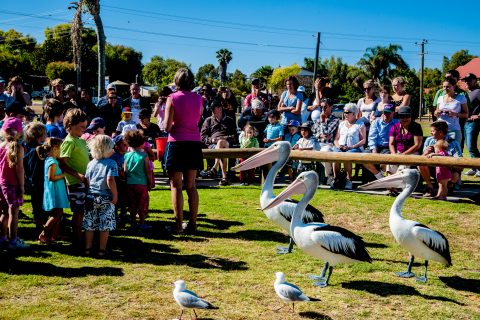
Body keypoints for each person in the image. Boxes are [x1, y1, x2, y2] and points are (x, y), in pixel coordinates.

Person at [164, 67, 203, 234]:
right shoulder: (199, 98)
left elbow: (166, 126)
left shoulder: (172, 98)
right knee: (191, 185)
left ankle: (178, 225)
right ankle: (193, 224)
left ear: (177, 81)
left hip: (177, 142)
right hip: (194, 142)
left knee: (176, 185)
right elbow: (197, 119)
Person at [59, 108, 89, 249]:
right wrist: (77, 175)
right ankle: (76, 238)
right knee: (78, 211)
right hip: (75, 183)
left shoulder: (80, 140)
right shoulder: (69, 141)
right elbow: (62, 163)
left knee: (82, 210)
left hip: (84, 181)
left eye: (85, 126)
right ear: (70, 126)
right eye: (81, 127)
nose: (84, 129)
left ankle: (81, 235)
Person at [83, 135, 118, 257]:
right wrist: (115, 195)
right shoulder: (111, 163)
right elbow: (110, 180)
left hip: (91, 196)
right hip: (105, 197)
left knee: (90, 224)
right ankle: (101, 250)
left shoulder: (91, 163)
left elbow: (87, 180)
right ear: (107, 149)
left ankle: (87, 248)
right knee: (105, 225)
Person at [0, 117, 28, 249]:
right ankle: (13, 240)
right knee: (14, 212)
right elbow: (19, 169)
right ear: (19, 132)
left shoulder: (1, 146)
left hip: (2, 184)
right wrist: (22, 187)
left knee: (4, 212)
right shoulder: (18, 147)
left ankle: (3, 237)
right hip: (12, 184)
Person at [419, 120, 462, 198]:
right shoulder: (429, 140)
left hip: (447, 169)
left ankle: (448, 186)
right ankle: (430, 187)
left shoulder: (453, 143)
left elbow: (459, 161)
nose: (430, 133)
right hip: (433, 168)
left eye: (433, 131)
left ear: (440, 132)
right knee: (420, 164)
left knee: (455, 175)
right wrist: (426, 152)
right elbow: (423, 157)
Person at [39, 137, 69, 244]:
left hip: (57, 190)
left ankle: (53, 237)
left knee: (59, 214)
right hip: (54, 191)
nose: (61, 150)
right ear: (55, 148)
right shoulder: (52, 162)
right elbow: (51, 177)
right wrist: (63, 175)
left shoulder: (52, 160)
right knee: (56, 214)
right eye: (60, 148)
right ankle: (43, 234)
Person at [200, 100, 237, 186]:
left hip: (227, 143)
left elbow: (234, 136)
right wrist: (212, 140)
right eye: (211, 109)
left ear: (220, 108)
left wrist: (224, 138)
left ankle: (215, 167)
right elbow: (202, 136)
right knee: (221, 145)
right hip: (213, 145)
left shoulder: (229, 120)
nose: (211, 111)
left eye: (213, 109)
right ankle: (224, 177)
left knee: (221, 143)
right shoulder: (208, 120)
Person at [333, 103, 366, 190]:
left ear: (354, 114)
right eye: (345, 112)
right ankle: (336, 179)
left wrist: (352, 147)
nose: (345, 114)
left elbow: (363, 140)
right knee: (334, 156)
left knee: (347, 156)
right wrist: (338, 146)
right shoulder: (341, 124)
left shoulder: (360, 124)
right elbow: (336, 139)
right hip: (341, 147)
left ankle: (349, 180)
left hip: (354, 148)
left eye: (348, 112)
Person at [124, 130, 153, 230]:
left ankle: (133, 223)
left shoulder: (126, 156)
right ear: (141, 143)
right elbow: (148, 171)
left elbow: (125, 170)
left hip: (129, 183)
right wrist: (150, 182)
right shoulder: (144, 156)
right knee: (142, 204)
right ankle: (141, 223)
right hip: (141, 184)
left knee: (132, 204)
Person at [23, 122, 47, 235]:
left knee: (37, 210)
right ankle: (44, 232)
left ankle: (39, 230)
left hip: (33, 184)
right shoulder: (39, 151)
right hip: (41, 184)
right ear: (40, 135)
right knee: (42, 209)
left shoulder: (27, 151)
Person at [363, 104, 398, 179]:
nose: (386, 115)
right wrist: (374, 149)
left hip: (388, 147)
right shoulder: (376, 122)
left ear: (393, 113)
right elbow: (372, 137)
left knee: (385, 159)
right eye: (385, 112)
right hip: (375, 146)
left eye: (388, 113)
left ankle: (379, 177)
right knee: (363, 157)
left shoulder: (397, 123)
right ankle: (379, 177)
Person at [311, 98, 340, 185]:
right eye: (321, 107)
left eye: (325, 107)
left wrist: (322, 121)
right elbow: (313, 133)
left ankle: (330, 176)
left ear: (330, 107)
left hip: (328, 144)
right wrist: (319, 135)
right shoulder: (317, 120)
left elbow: (326, 133)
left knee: (325, 151)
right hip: (317, 143)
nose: (323, 109)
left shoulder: (335, 120)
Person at [434, 77, 469, 146]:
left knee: (454, 153)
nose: (445, 88)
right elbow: (436, 112)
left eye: (448, 87)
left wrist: (455, 114)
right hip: (440, 131)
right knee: (439, 153)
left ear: (454, 86)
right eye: (444, 86)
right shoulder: (440, 98)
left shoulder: (461, 98)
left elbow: (466, 114)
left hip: (454, 130)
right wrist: (436, 113)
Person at [388, 106, 423, 173]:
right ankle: (393, 182)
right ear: (399, 117)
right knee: (390, 164)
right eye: (402, 117)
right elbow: (391, 143)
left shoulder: (416, 127)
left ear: (411, 117)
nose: (405, 119)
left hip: (412, 153)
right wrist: (394, 154)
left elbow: (417, 145)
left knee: (403, 167)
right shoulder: (394, 127)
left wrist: (404, 154)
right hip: (398, 152)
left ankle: (398, 182)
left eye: (407, 116)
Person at [462, 73, 480, 177]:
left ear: (475, 81)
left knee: (471, 146)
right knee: (469, 146)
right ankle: (474, 167)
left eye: (469, 80)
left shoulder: (478, 92)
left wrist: (478, 115)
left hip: (473, 123)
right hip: (465, 122)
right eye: (465, 80)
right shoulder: (467, 93)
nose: (467, 82)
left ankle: (478, 167)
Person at [110, 134, 128, 225]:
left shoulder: (126, 155)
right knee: (117, 201)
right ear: (116, 146)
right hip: (116, 182)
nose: (126, 146)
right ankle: (115, 216)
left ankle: (123, 214)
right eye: (123, 145)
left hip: (124, 182)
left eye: (126, 145)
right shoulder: (113, 157)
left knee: (124, 200)